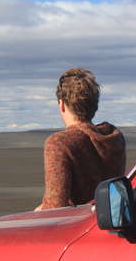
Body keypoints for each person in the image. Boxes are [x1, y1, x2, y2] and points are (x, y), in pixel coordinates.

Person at [36, 68, 126, 210]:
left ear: (61, 105)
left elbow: (55, 207)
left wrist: (38, 211)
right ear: (94, 105)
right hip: (112, 223)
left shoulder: (60, 144)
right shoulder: (115, 137)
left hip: (78, 227)